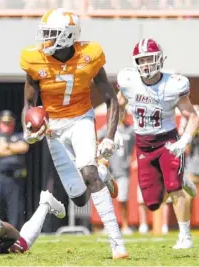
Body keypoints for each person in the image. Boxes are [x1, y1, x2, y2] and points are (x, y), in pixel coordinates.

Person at [20, 8, 127, 259]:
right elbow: (28, 103)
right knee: (79, 199)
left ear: (68, 36)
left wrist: (110, 136)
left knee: (88, 173)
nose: (45, 40)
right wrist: (30, 127)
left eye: (51, 34)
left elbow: (112, 100)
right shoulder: (34, 60)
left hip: (81, 118)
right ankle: (102, 171)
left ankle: (116, 242)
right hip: (53, 127)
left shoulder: (90, 55)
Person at [116, 37, 198, 249]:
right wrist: (114, 131)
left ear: (160, 59)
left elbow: (192, 116)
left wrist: (185, 140)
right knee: (151, 203)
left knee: (174, 187)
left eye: (150, 59)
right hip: (143, 143)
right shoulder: (129, 81)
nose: (146, 64)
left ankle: (185, 236)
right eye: (142, 60)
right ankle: (181, 183)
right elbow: (118, 106)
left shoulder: (173, 84)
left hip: (167, 140)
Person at [97, 110, 135, 235]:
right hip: (109, 169)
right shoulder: (108, 128)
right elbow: (97, 138)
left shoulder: (130, 130)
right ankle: (108, 226)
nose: (121, 116)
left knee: (123, 198)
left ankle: (125, 225)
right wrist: (101, 156)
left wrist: (132, 160)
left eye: (122, 113)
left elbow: (137, 145)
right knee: (106, 199)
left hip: (123, 169)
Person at [0, 110, 29, 229]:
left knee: (15, 209)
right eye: (4, 123)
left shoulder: (19, 136)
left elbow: (24, 147)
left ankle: (16, 235)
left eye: (9, 123)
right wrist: (13, 148)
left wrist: (6, 146)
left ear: (13, 124)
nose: (6, 125)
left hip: (15, 178)